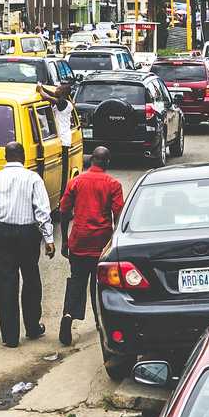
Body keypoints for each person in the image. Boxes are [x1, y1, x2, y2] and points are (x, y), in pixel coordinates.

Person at [0, 141, 54, 347]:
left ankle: (10, 337)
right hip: (28, 234)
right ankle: (32, 327)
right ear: (23, 157)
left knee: (7, 283)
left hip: (2, 233)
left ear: (6, 157)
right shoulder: (33, 178)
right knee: (31, 279)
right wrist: (48, 238)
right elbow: (42, 211)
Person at [57, 147, 124, 345]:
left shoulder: (76, 182)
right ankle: (99, 322)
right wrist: (116, 241)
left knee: (76, 281)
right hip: (101, 244)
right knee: (99, 285)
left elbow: (63, 211)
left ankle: (68, 315)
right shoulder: (113, 184)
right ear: (107, 162)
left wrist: (65, 240)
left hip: (79, 241)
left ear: (91, 160)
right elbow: (118, 214)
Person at [38, 82, 75, 195]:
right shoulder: (64, 102)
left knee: (63, 171)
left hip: (63, 140)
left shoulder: (63, 103)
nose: (56, 89)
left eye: (58, 89)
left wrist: (40, 90)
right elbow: (52, 94)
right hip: (62, 139)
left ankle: (62, 194)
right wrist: (43, 87)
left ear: (62, 93)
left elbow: (47, 97)